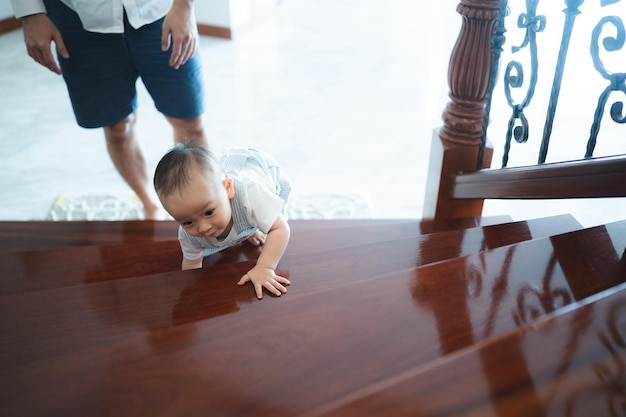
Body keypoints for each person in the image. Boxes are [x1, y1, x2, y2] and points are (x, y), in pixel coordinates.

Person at [10, 0, 208, 219]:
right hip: (78, 17)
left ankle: (199, 206)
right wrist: (30, 12)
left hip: (161, 9)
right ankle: (150, 205)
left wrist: (184, 6)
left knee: (190, 122)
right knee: (117, 127)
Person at [154, 143, 292, 299]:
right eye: (187, 222)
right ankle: (253, 223)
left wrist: (265, 267)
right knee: (252, 214)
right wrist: (192, 291)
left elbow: (280, 229)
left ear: (228, 189)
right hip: (239, 204)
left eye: (209, 212)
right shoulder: (188, 236)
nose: (204, 228)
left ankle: (255, 225)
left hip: (263, 171)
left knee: (265, 215)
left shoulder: (250, 195)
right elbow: (192, 266)